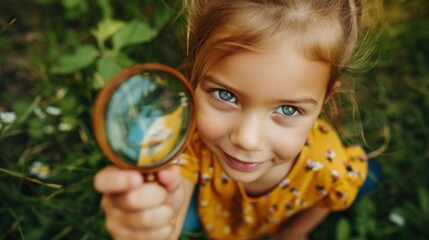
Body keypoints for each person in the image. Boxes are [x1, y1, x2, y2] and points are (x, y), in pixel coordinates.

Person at [93, 0, 372, 239]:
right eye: (224, 95)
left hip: (287, 208)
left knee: (364, 180)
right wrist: (151, 226)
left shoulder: (326, 166)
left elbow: (325, 200)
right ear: (194, 74)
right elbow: (170, 210)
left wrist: (294, 232)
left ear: (325, 100)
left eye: (288, 110)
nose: (247, 139)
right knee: (188, 221)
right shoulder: (189, 140)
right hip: (213, 209)